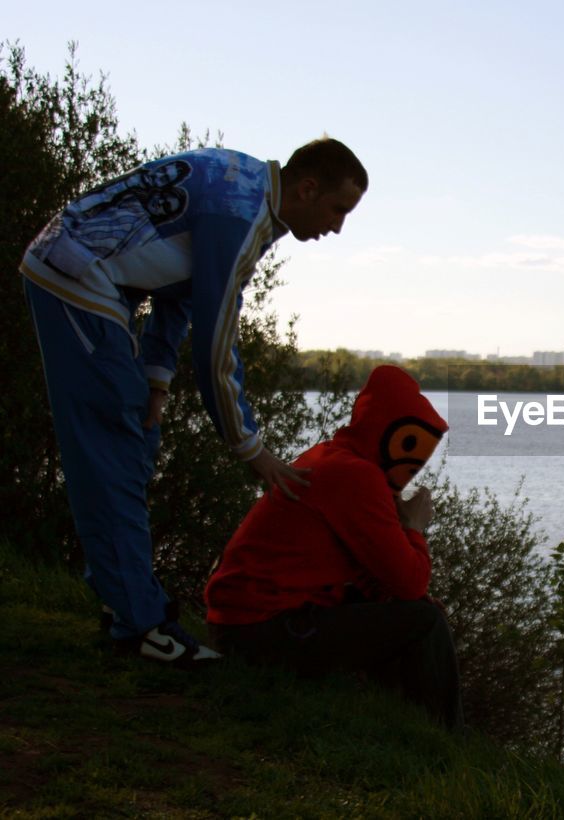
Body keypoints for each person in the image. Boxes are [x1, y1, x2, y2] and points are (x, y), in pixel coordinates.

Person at [21, 138, 368, 664]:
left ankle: (125, 604)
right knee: (111, 451)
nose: (338, 226)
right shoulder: (241, 213)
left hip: (87, 278)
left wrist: (157, 381)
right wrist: (249, 448)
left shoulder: (245, 188)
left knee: (133, 435)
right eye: (339, 209)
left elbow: (177, 293)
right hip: (76, 276)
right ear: (308, 187)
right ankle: (140, 627)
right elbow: (215, 342)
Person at [205, 365, 462, 730]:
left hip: (239, 627)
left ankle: (404, 722)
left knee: (410, 610)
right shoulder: (358, 476)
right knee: (425, 622)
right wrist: (414, 527)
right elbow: (411, 581)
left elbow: (370, 571)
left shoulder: (334, 457)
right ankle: (444, 738)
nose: (415, 466)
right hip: (256, 634)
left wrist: (401, 599)